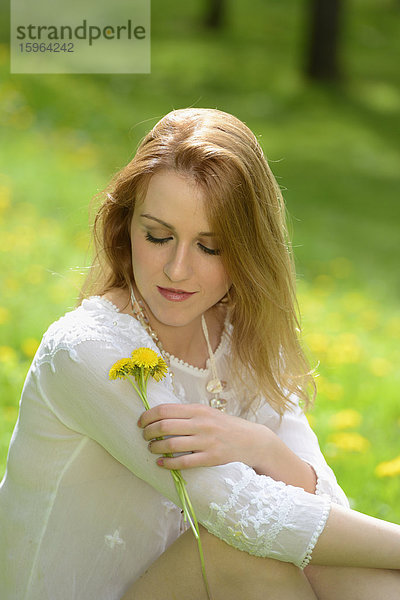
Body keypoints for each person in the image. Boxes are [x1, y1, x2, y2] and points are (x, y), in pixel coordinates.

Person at [0, 108, 399, 600]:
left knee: (357, 572)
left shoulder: (241, 340)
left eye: (210, 247)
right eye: (158, 236)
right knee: (244, 557)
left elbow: (328, 515)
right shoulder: (89, 351)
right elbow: (238, 514)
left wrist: (262, 447)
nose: (177, 269)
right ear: (126, 227)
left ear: (249, 252)